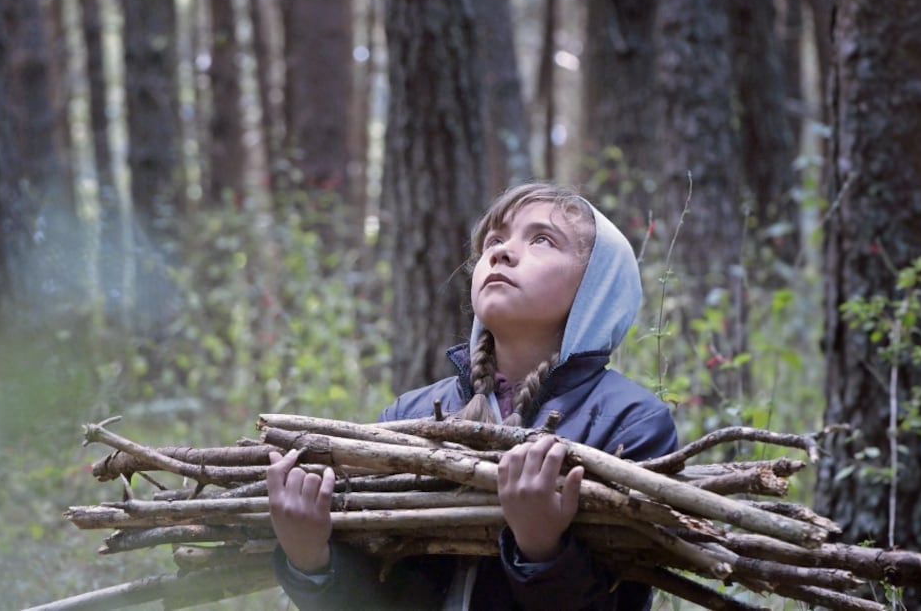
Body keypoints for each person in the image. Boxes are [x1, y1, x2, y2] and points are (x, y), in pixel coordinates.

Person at [266, 182, 678, 610]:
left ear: (598, 287)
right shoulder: (408, 414)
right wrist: (309, 560)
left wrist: (541, 549)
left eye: (541, 240)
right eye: (494, 241)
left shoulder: (630, 422)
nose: (501, 252)